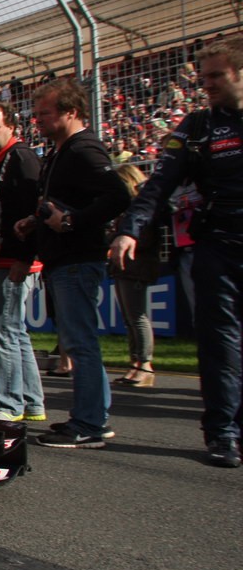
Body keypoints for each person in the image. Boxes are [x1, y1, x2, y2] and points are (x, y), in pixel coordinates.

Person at [110, 35, 243, 467]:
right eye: (203, 78)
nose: (207, 85)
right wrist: (129, 230)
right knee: (221, 343)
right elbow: (156, 186)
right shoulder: (198, 126)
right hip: (218, 248)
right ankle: (222, 433)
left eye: (217, 76)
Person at [16, 79, 130, 448]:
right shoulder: (60, 151)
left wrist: (71, 221)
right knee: (76, 340)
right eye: (35, 114)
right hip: (63, 258)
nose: (38, 121)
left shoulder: (84, 149)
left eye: (45, 114)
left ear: (71, 112)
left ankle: (90, 423)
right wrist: (36, 221)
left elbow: (117, 195)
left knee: (80, 342)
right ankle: (90, 418)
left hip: (78, 258)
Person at [0, 102, 47, 422]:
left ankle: (9, 403)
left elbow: (34, 208)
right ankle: (32, 401)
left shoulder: (21, 157)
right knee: (14, 331)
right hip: (2, 259)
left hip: (12, 260)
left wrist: (24, 257)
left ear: (11, 127)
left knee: (1, 330)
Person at [110, 163, 160, 389]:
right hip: (124, 267)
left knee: (137, 317)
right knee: (130, 318)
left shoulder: (141, 211)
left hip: (137, 266)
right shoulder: (127, 211)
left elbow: (147, 240)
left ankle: (145, 365)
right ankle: (135, 363)